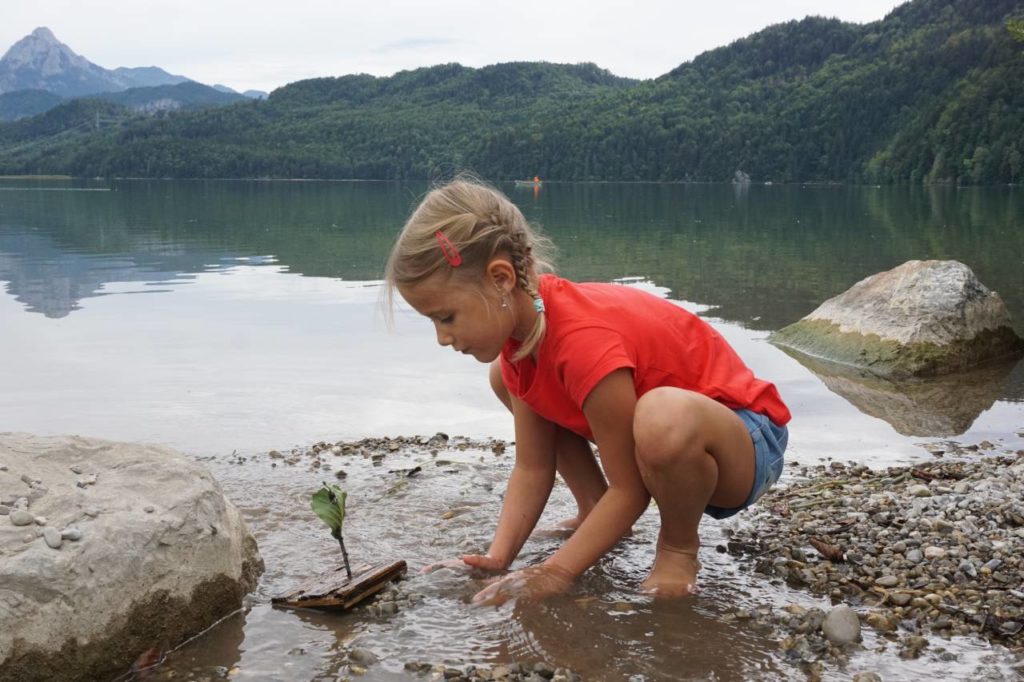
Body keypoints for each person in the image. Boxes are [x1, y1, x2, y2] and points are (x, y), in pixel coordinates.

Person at [384, 177, 790, 605]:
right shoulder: (521, 343)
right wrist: (497, 557)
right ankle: (593, 507)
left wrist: (556, 571)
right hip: (670, 446)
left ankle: (677, 548)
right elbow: (532, 468)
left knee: (661, 415)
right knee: (503, 378)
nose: (442, 338)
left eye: (446, 317)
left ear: (500, 278)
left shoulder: (582, 343)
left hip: (746, 442)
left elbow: (631, 489)